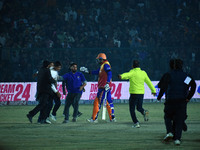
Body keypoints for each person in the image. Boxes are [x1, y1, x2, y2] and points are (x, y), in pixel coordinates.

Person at [157, 59, 196, 145]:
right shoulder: (186, 76)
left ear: (174, 66)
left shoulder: (168, 75)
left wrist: (159, 96)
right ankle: (177, 139)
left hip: (170, 100)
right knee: (179, 120)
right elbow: (193, 85)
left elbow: (162, 86)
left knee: (167, 117)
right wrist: (188, 97)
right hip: (182, 101)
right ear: (182, 66)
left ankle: (170, 131)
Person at [118, 60, 156, 128]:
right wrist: (153, 90)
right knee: (139, 107)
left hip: (134, 93)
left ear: (132, 66)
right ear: (139, 65)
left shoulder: (132, 72)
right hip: (141, 93)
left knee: (132, 109)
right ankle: (144, 112)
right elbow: (149, 82)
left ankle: (136, 122)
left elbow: (127, 75)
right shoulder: (143, 73)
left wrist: (121, 76)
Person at [80, 53, 116, 123]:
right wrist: (88, 71)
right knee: (109, 102)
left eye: (98, 59)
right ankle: (112, 118)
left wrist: (107, 83)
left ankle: (94, 119)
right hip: (106, 86)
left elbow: (110, 73)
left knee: (97, 102)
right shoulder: (104, 65)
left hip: (103, 87)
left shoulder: (105, 65)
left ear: (101, 59)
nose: (97, 61)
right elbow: (97, 72)